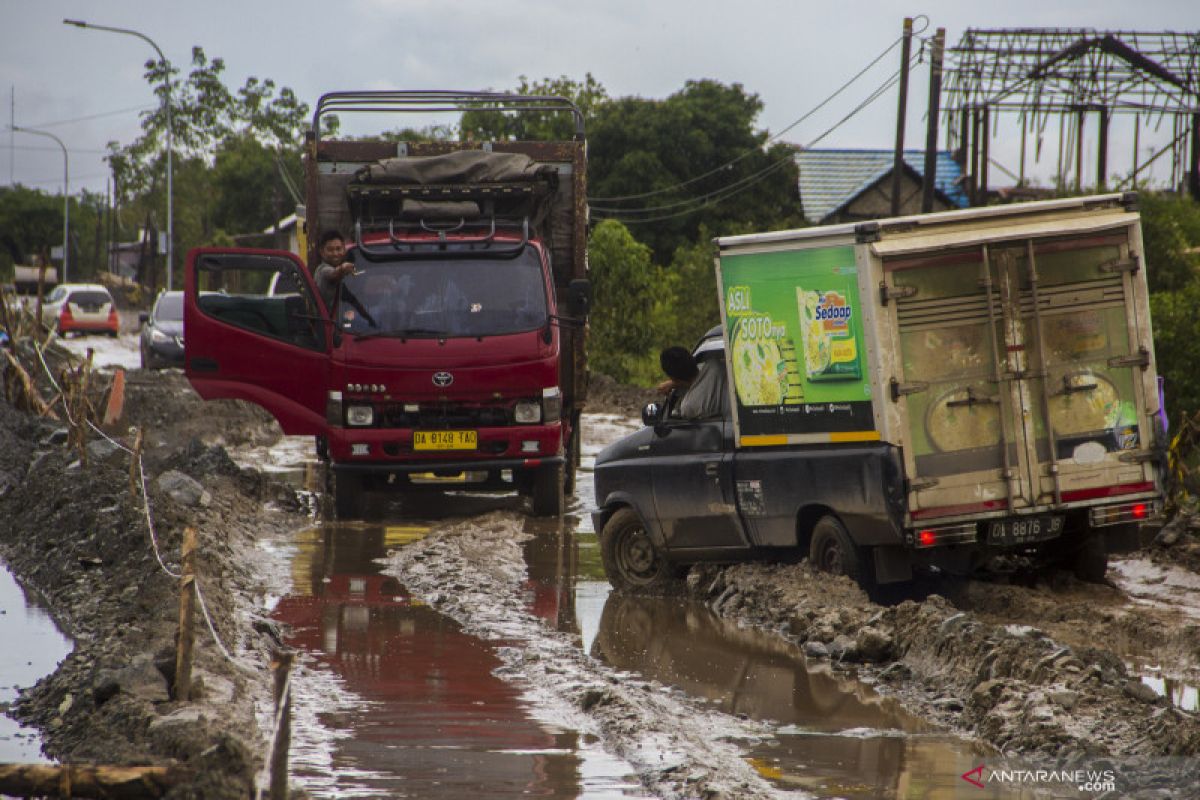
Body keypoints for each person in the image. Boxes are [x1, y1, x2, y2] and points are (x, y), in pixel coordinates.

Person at [314, 230, 356, 310]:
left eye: (338, 249)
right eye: (330, 250)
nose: (335, 253)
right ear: (322, 252)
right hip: (327, 321)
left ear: (344, 250)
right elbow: (333, 273)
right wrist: (343, 268)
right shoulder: (322, 270)